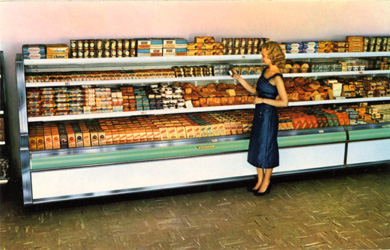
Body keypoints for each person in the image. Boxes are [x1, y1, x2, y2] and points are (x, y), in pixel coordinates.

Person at [230, 41, 288, 196]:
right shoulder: (265, 71)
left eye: (264, 55)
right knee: (257, 145)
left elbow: (284, 102)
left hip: (268, 116)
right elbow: (254, 90)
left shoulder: (277, 77)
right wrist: (239, 79)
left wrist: (263, 101)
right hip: (259, 114)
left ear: (273, 57)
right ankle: (259, 179)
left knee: (267, 147)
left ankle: (267, 181)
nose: (262, 58)